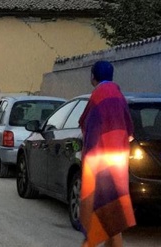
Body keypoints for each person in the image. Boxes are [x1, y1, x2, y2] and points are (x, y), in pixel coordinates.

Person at [78, 61, 135, 247]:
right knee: (113, 207)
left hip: (100, 159)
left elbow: (88, 125)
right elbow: (129, 130)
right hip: (119, 159)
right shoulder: (119, 95)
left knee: (97, 205)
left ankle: (90, 242)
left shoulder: (98, 95)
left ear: (93, 77)